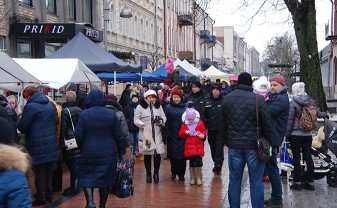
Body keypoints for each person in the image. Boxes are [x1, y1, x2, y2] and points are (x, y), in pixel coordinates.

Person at [221, 72, 272, 207]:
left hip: (234, 145)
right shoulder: (258, 99)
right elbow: (267, 124)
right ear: (250, 83)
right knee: (256, 181)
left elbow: (222, 124)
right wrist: (269, 142)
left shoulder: (227, 99)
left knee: (235, 180)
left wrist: (227, 140)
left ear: (238, 82)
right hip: (254, 146)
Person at [75, 89, 126, 208]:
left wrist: (82, 147)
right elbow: (119, 135)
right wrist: (121, 151)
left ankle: (90, 202)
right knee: (105, 179)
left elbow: (78, 134)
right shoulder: (111, 114)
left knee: (87, 176)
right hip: (108, 151)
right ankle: (102, 205)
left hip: (89, 149)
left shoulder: (84, 114)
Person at [18, 86, 61, 206]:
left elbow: (22, 127)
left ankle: (41, 197)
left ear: (29, 95)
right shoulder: (50, 104)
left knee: (40, 170)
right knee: (48, 170)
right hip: (51, 141)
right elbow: (56, 121)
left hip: (37, 142)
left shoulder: (31, 107)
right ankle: (49, 194)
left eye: (25, 97)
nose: (25, 99)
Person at [285, 82, 326, 191]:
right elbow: (318, 113)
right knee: (308, 157)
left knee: (297, 158)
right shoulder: (310, 101)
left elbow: (290, 120)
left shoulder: (293, 102)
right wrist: (325, 115)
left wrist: (286, 135)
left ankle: (297, 183)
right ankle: (310, 183)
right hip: (308, 134)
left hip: (295, 135)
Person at [264, 75, 289, 207]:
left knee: (272, 168)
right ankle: (275, 197)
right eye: (271, 85)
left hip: (273, 138)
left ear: (282, 86)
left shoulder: (281, 99)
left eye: (275, 85)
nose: (272, 87)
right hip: (272, 136)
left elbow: (267, 112)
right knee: (271, 167)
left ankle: (277, 200)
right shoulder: (275, 97)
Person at [134, 90, 167, 183]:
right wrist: (141, 124)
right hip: (146, 134)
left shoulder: (158, 106)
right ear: (146, 97)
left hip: (157, 134)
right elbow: (136, 119)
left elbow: (164, 117)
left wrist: (160, 121)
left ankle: (156, 173)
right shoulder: (140, 107)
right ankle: (148, 173)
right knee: (147, 154)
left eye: (153, 97)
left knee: (158, 154)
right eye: (150, 97)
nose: (151, 99)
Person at [60, 91, 82, 196]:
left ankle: (74, 187)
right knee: (76, 163)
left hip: (69, 140)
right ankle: (76, 185)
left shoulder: (65, 111)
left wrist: (61, 141)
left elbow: (63, 127)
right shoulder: (79, 109)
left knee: (72, 164)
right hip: (78, 138)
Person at [178, 105, 207, 185]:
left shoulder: (200, 123)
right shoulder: (185, 125)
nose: (190, 121)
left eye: (192, 119)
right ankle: (192, 177)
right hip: (189, 147)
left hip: (198, 147)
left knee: (198, 162)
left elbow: (204, 132)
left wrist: (202, 135)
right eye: (189, 119)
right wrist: (185, 132)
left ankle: (198, 177)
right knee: (191, 162)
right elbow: (180, 134)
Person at [201, 83, 225, 173]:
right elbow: (203, 113)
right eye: (213, 90)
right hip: (210, 128)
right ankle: (215, 161)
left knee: (219, 146)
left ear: (219, 91)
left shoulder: (223, 100)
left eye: (217, 90)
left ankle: (218, 163)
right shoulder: (207, 101)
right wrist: (204, 123)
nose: (215, 91)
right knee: (213, 146)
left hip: (220, 128)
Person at [164, 89, 186, 181]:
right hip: (172, 134)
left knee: (182, 155)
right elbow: (164, 120)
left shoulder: (186, 108)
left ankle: (181, 173)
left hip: (183, 134)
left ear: (181, 98)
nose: (176, 99)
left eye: (178, 97)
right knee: (173, 156)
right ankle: (173, 172)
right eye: (174, 97)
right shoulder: (168, 107)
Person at [124, 92, 140, 159]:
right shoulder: (128, 107)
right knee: (132, 141)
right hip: (131, 127)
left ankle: (140, 153)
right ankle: (133, 154)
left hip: (139, 127)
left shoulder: (140, 107)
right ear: (131, 99)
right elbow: (125, 116)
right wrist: (129, 122)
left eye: (136, 98)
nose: (135, 99)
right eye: (134, 98)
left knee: (139, 141)